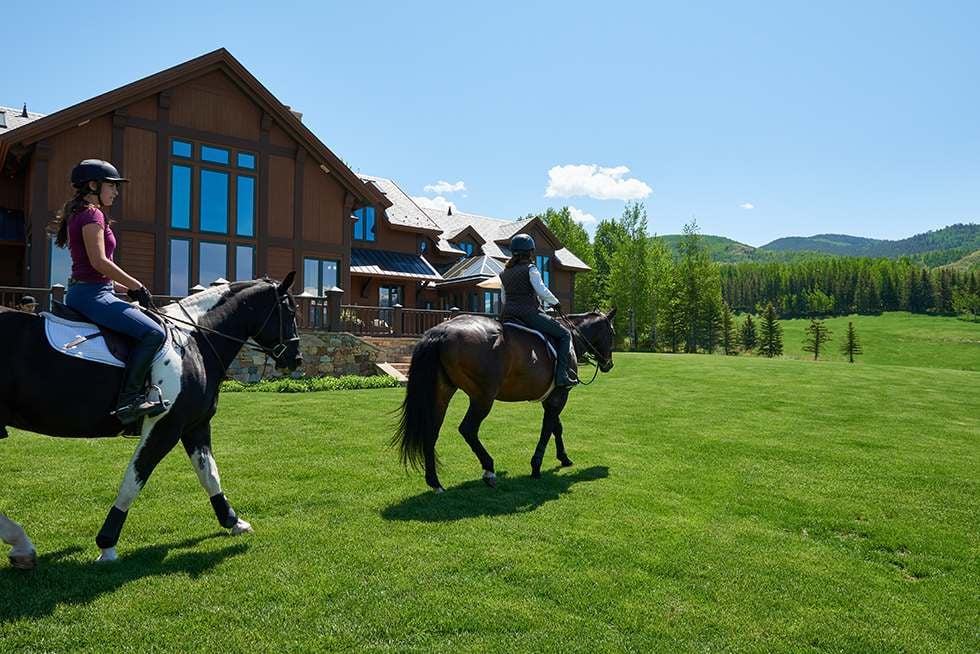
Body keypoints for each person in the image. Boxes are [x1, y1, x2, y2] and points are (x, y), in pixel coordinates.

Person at [50, 159, 166, 425]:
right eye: (112, 185)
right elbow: (100, 262)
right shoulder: (93, 214)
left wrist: (128, 290)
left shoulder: (81, 213)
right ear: (93, 185)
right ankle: (129, 401)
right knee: (153, 332)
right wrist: (138, 285)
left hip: (91, 291)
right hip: (93, 296)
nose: (116, 191)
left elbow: (95, 273)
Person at [498, 234, 578, 387]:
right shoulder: (531, 269)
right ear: (530, 252)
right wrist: (555, 302)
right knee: (565, 334)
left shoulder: (504, 273)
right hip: (528, 314)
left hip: (508, 316)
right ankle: (561, 376)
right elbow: (541, 290)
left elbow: (503, 299)